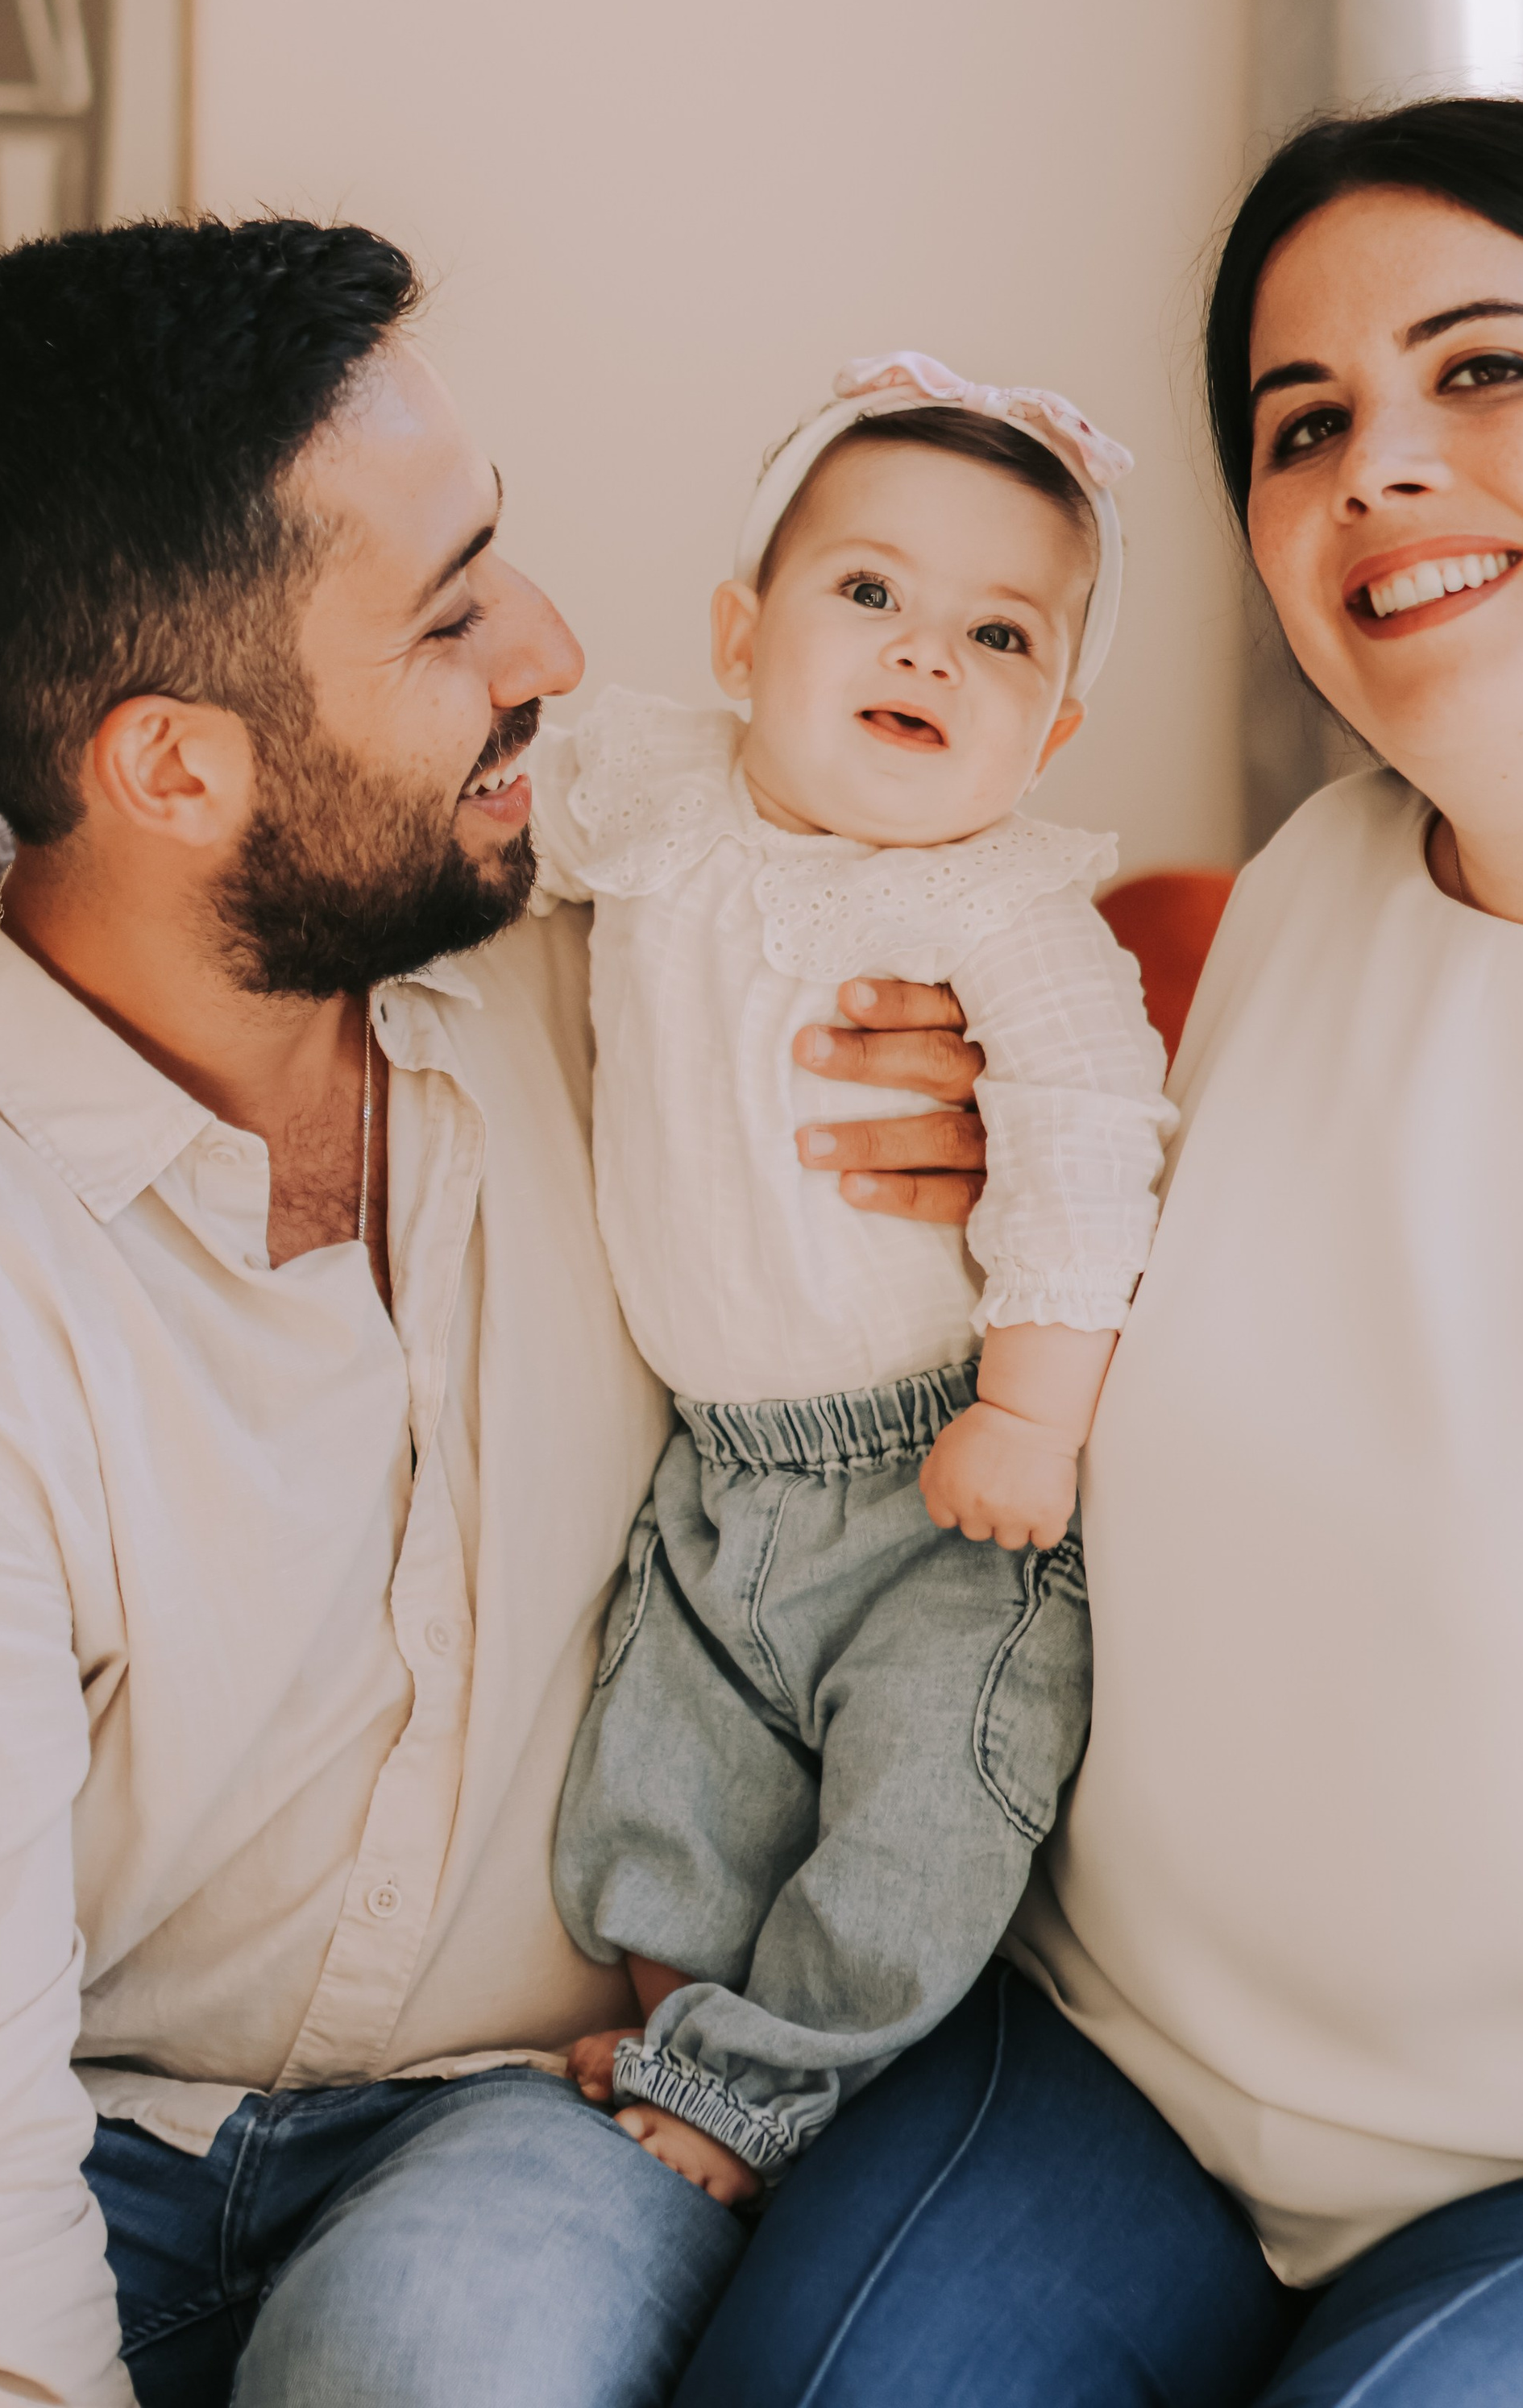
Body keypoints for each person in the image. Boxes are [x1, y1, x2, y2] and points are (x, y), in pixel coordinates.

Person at [675, 99, 1523, 2406]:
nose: (1379, 471)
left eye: (1488, 374)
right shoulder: (1305, 902)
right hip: (1131, 2064)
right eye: (1306, 423)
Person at [0, 221, 986, 2408]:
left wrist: (962, 1151)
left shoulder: (619, 926)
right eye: (452, 613)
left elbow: (958, 875)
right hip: (67, 2126)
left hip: (534, 2112)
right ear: (176, 770)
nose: (555, 645)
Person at [541, 357, 1170, 2200]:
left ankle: (769, 2082)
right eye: (868, 594)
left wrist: (1029, 1412)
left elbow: (1084, 1140)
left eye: (999, 636)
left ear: (1047, 730)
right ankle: (683, 2030)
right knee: (658, 1767)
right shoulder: (650, 802)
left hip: (937, 1485)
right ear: (740, 639)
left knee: (928, 1797)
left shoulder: (1006, 917)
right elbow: (486, 822)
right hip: (716, 1464)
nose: (925, 657)